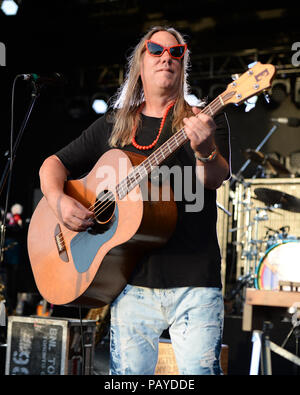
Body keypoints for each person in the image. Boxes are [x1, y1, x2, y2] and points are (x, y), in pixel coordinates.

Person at [39, 26, 230, 375]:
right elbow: (53, 164)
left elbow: (214, 179)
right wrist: (58, 201)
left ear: (183, 64)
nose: (166, 58)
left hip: (195, 281)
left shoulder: (205, 119)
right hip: (129, 280)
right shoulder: (113, 124)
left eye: (176, 52)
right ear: (140, 63)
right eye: (156, 50)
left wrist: (204, 150)